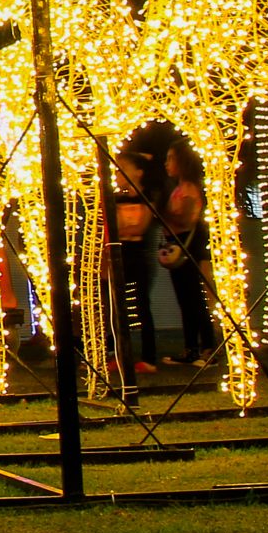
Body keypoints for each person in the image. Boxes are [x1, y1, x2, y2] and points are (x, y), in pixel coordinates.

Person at [109, 128, 165, 377]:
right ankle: (118, 355)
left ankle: (148, 357)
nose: (117, 176)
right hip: (119, 256)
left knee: (142, 305)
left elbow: (139, 227)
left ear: (138, 173)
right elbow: (115, 229)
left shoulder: (148, 198)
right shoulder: (114, 200)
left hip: (139, 257)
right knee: (116, 308)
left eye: (122, 170)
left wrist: (125, 226)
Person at [159, 141, 220, 367]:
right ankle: (191, 348)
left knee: (194, 299)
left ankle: (208, 348)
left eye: (170, 158)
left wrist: (162, 213)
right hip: (176, 245)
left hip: (187, 247)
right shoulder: (178, 188)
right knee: (185, 300)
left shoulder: (189, 190)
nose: (166, 164)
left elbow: (185, 220)